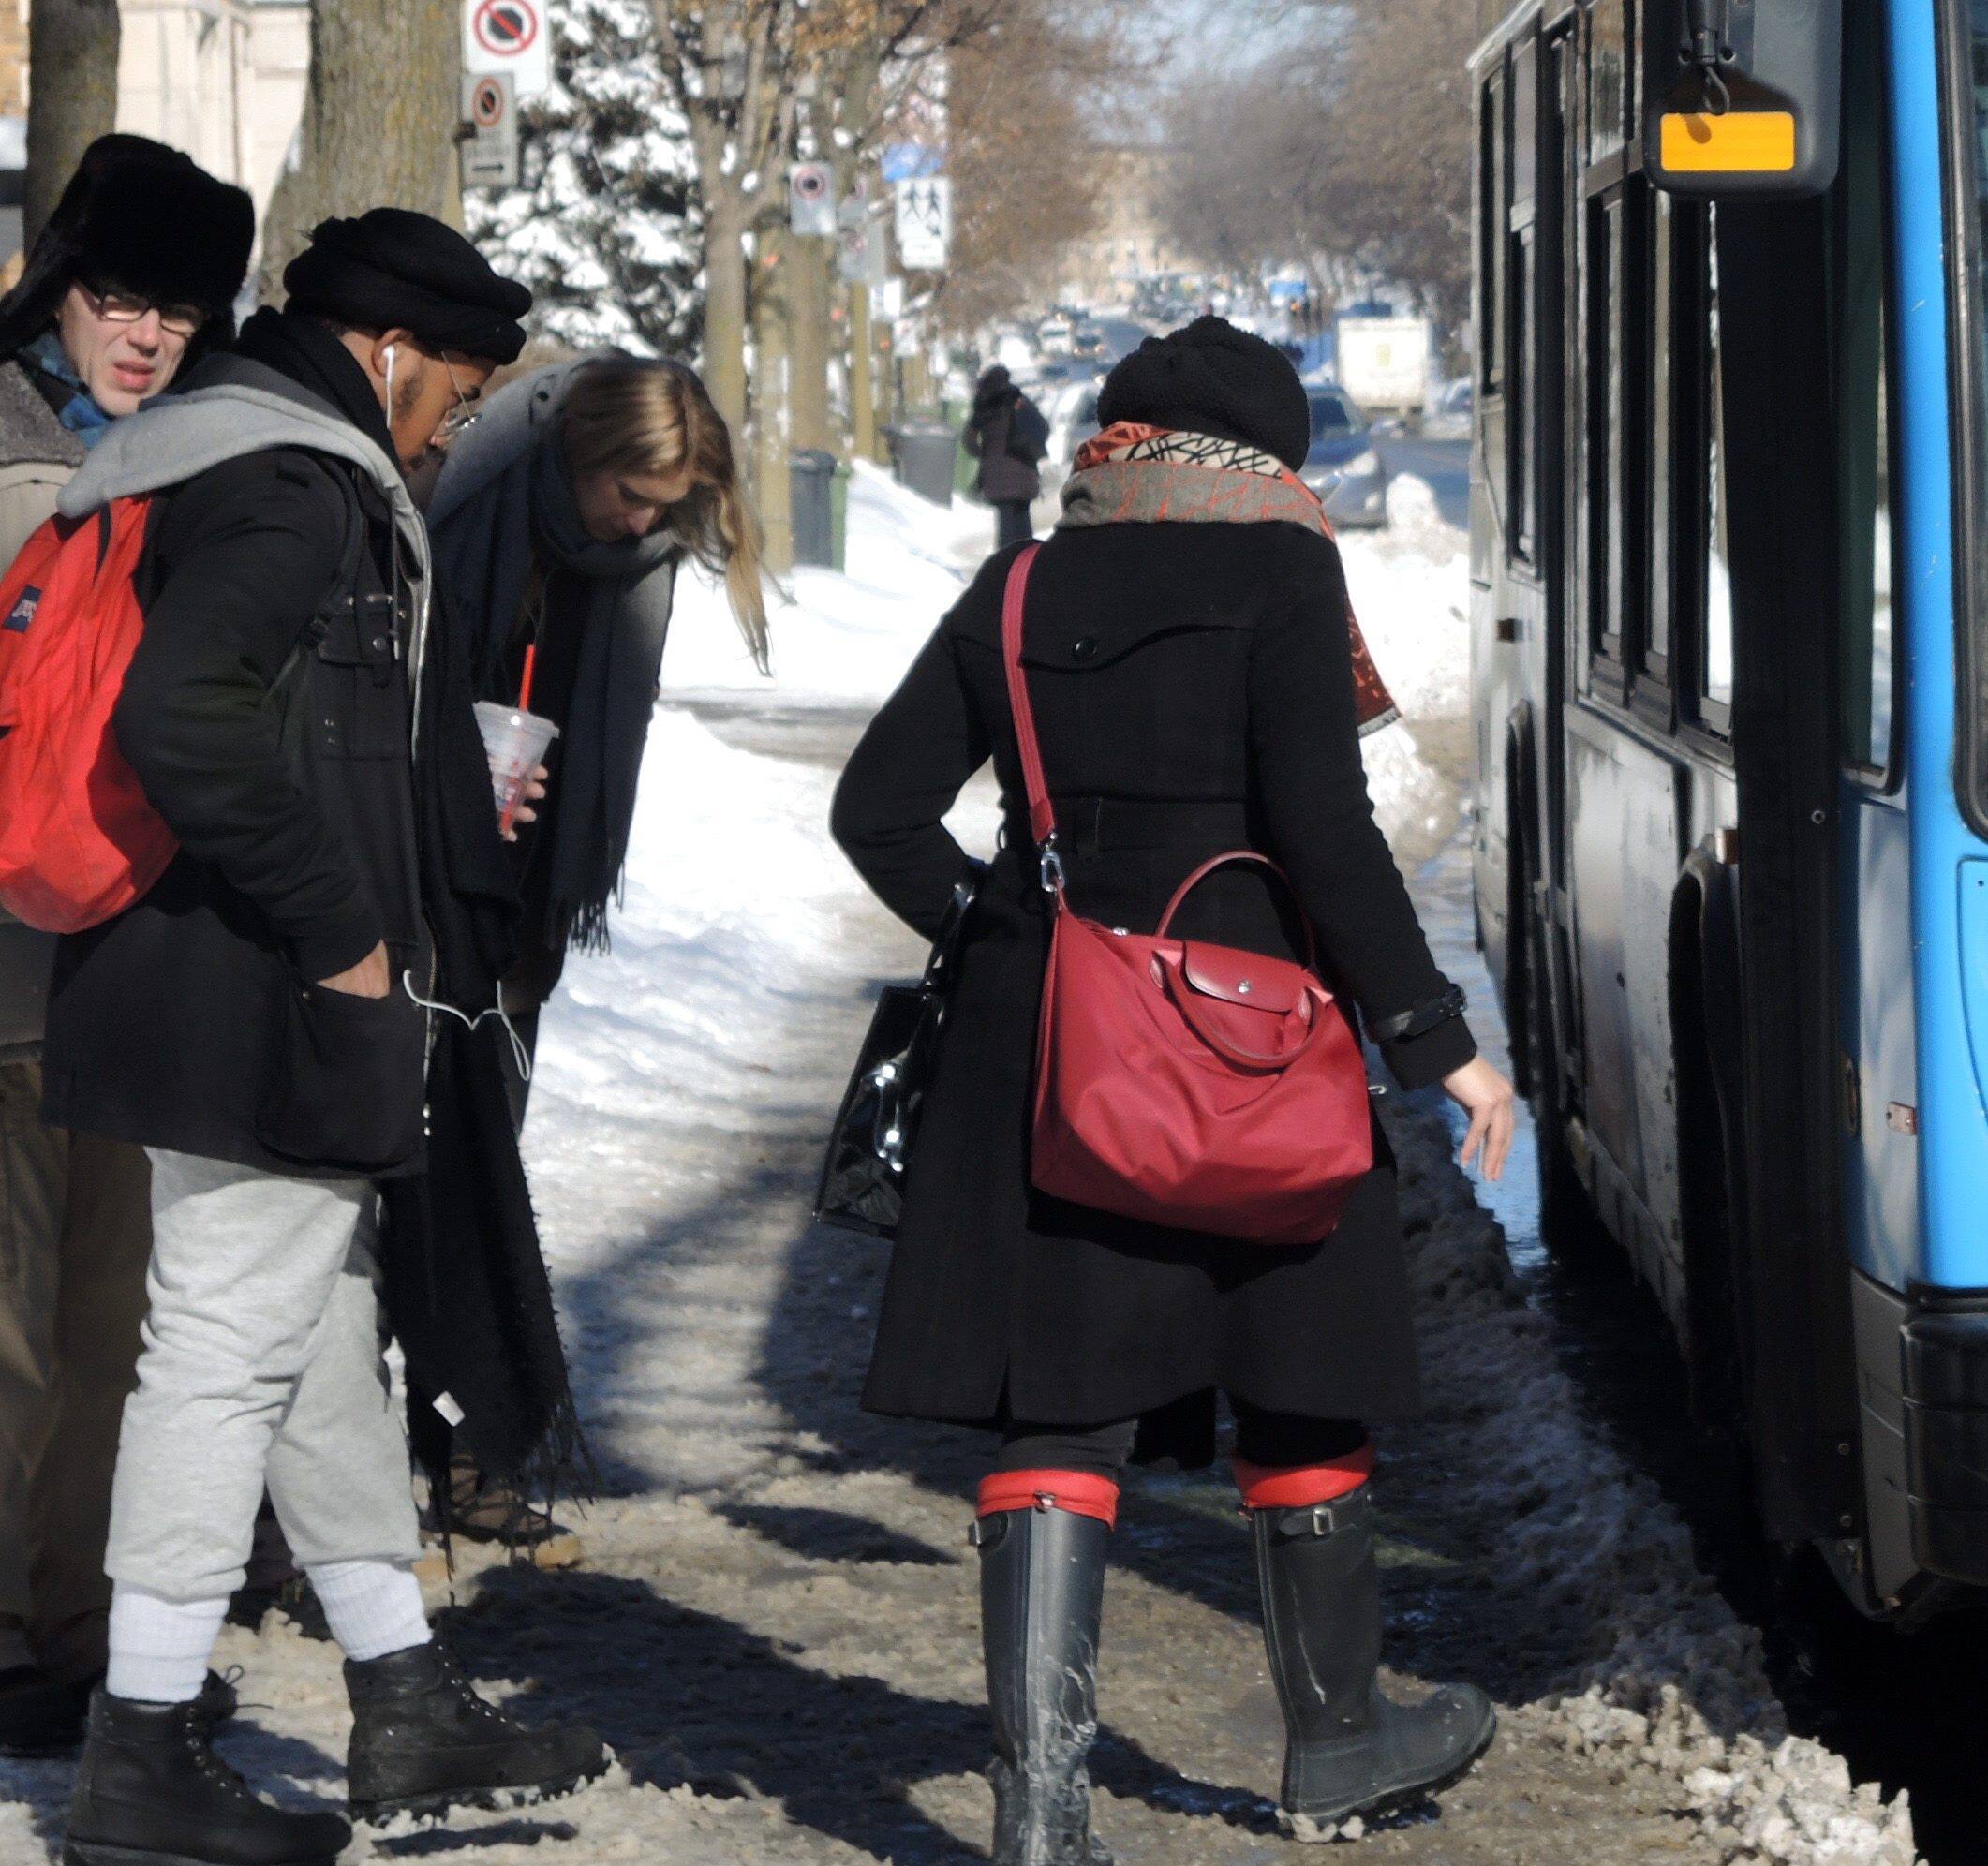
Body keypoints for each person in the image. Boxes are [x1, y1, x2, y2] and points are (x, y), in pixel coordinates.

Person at [832, 315, 1519, 1858]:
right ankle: (1339, 1740)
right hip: (1259, 1038)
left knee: (1054, 1400)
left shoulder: (1018, 587)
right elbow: (1326, 835)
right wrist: (1435, 1037)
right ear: (1271, 460)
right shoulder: (1283, 573)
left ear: (1110, 447)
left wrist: (1006, 930)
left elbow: (877, 809)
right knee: (1301, 1362)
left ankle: (1044, 1817)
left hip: (1053, 1047)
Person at [50, 210, 605, 1864]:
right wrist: (345, 925)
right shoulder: (296, 483)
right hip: (252, 989)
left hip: (178, 974)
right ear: (387, 351)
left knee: (308, 1325)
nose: (451, 423)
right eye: (456, 386)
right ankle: (135, 1755)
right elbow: (183, 713)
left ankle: (402, 1692)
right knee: (224, 1349)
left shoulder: (196, 446)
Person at [408, 353, 765, 1553]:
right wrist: (455, 780)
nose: (647, 523)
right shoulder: (466, 512)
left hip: (520, 919)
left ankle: (467, 1452)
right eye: (634, 493)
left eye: (668, 505)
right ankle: (336, 1489)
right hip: (411, 904)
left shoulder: (635, 566)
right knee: (388, 1201)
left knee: (484, 1191)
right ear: (576, 459)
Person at [0, 139, 253, 1758]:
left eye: (177, 308)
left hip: (114, 962)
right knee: (24, 1324)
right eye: (118, 297)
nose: (144, 334)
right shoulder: (25, 448)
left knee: (102, 1321)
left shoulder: (187, 455)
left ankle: (65, 1626)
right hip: (12, 965)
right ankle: (27, 1634)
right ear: (58, 286)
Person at [965, 364, 1047, 550]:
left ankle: (1005, 570)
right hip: (1025, 470)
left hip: (997, 476)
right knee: (1024, 526)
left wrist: (985, 454)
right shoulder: (1020, 401)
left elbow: (968, 441)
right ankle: (1027, 568)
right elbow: (1042, 427)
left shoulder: (985, 405)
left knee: (1006, 529)